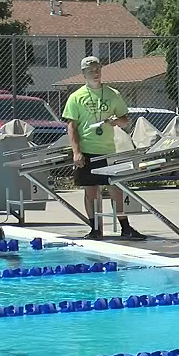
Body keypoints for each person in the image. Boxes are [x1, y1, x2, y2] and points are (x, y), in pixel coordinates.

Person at [62, 56, 146, 241]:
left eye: (97, 69)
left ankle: (125, 226)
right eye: (91, 70)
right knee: (91, 191)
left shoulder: (112, 94)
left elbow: (125, 120)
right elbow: (72, 126)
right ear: (83, 73)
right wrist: (76, 152)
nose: (95, 73)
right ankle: (95, 228)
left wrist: (116, 121)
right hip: (87, 150)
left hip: (107, 150)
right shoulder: (76, 97)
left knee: (116, 188)